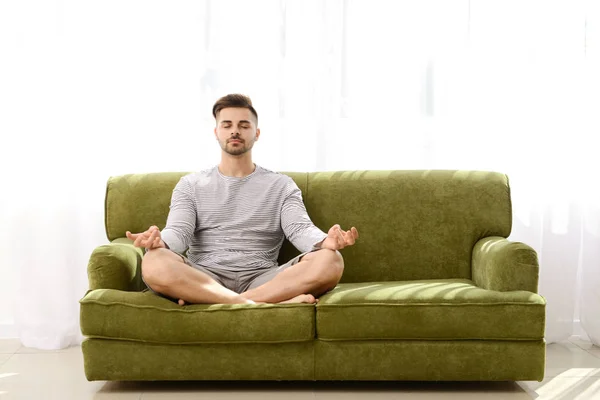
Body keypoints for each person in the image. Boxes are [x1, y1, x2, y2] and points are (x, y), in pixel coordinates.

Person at [126, 94, 359, 305]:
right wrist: (161, 242)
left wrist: (325, 241)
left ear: (256, 134)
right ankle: (258, 303)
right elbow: (179, 231)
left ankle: (223, 301)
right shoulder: (190, 185)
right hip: (205, 276)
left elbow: (299, 229)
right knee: (154, 260)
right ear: (216, 132)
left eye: (243, 125)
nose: (234, 131)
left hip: (263, 278)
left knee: (331, 260)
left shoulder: (281, 185)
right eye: (226, 125)